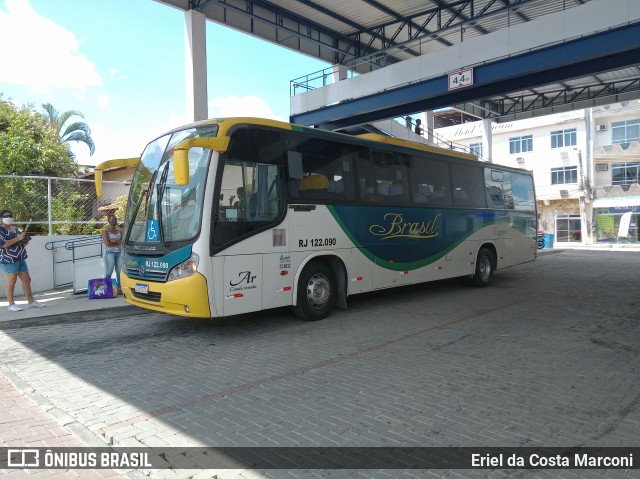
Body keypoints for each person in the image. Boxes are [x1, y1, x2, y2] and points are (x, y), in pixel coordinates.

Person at [0, 209, 45, 312]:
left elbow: (20, 240)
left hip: (20, 257)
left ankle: (31, 302)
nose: (9, 218)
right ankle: (11, 305)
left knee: (26, 279)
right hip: (8, 259)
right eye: (6, 216)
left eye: (10, 216)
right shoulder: (0, 230)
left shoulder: (15, 229)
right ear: (1, 219)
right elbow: (2, 245)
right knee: (12, 280)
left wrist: (24, 241)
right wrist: (18, 239)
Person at [102, 213, 123, 295]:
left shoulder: (120, 231)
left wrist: (114, 241)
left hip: (119, 253)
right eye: (112, 220)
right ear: (108, 221)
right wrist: (117, 242)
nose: (114, 221)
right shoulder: (105, 231)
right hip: (109, 253)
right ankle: (106, 288)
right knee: (109, 271)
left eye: (115, 220)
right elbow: (107, 243)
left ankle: (120, 288)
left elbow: (122, 242)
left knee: (119, 271)